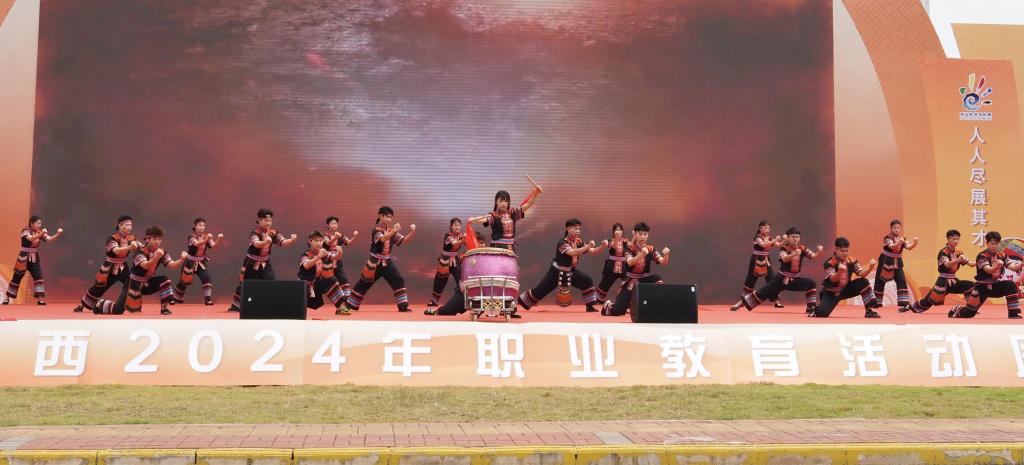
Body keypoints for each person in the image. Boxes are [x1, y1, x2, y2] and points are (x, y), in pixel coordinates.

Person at [516, 218, 606, 316]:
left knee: (586, 280)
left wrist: (602, 246)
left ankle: (590, 306)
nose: (577, 231)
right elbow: (572, 252)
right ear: (568, 229)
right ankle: (518, 302)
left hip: (570, 271)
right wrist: (587, 246)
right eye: (575, 229)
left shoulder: (578, 241)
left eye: (579, 229)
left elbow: (592, 251)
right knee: (540, 291)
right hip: (556, 272)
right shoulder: (562, 243)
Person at [336, 206, 417, 314]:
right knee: (363, 283)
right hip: (374, 262)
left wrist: (412, 231)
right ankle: (348, 305)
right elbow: (383, 239)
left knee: (398, 280)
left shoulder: (390, 230)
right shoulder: (376, 230)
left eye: (390, 217)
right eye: (387, 217)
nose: (389, 219)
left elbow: (404, 241)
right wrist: (394, 230)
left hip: (387, 262)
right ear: (381, 216)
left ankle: (403, 306)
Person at [94, 226, 185, 315]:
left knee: (165, 280)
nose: (157, 242)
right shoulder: (140, 252)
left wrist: (181, 259)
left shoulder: (162, 252)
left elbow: (172, 265)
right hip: (133, 284)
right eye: (154, 239)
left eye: (159, 239)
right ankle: (100, 303)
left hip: (146, 284)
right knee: (117, 310)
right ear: (148, 239)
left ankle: (164, 308)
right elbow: (145, 265)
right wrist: (156, 258)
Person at [730, 227, 823, 314]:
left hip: (795, 280)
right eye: (793, 237)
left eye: (797, 237)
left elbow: (813, 256)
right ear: (788, 238)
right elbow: (784, 259)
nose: (795, 239)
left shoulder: (803, 248)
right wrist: (794, 254)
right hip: (781, 279)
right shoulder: (784, 248)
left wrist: (818, 251)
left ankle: (811, 307)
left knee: (811, 284)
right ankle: (741, 303)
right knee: (762, 293)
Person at [228, 208, 298, 312]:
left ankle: (265, 304)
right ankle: (236, 305)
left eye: (270, 221)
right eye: (266, 220)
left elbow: (283, 242)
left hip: (265, 263)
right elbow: (256, 244)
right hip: (251, 263)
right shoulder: (254, 233)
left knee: (270, 280)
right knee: (246, 284)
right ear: (260, 220)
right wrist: (265, 242)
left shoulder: (273, 233)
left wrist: (292, 240)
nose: (268, 223)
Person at [72, 215, 142, 313]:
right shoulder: (112, 238)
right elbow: (116, 250)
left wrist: (150, 249)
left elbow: (142, 247)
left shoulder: (131, 238)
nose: (129, 227)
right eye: (127, 225)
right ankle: (81, 305)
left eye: (131, 225)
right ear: (120, 225)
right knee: (98, 288)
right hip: (110, 267)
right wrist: (130, 247)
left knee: (133, 284)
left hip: (124, 266)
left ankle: (134, 306)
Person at [948, 231, 1023, 319]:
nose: (995, 246)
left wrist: (1022, 264)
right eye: (992, 243)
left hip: (996, 286)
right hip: (982, 287)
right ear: (987, 243)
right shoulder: (982, 256)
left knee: (1010, 285)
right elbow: (988, 270)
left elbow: (1013, 267)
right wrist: (997, 266)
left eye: (997, 244)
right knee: (968, 313)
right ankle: (957, 308)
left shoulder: (1001, 255)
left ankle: (1013, 313)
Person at [602, 222, 670, 316]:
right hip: (630, 281)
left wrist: (666, 255)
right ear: (635, 234)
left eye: (645, 234)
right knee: (618, 311)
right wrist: (641, 255)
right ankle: (608, 305)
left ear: (648, 235)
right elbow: (629, 262)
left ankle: (651, 306)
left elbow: (663, 262)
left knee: (657, 279)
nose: (643, 237)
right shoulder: (629, 248)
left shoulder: (650, 248)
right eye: (640, 234)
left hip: (643, 280)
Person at [906, 229, 976, 314]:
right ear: (948, 239)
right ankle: (911, 307)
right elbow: (947, 265)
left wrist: (980, 262)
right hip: (943, 282)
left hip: (954, 281)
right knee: (928, 301)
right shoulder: (943, 252)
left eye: (957, 239)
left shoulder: (959, 252)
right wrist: (957, 260)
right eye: (953, 239)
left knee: (970, 285)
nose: (956, 241)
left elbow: (971, 264)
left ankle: (970, 308)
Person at [810, 237, 880, 318]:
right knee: (822, 314)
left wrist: (870, 267)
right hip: (831, 293)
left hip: (846, 290)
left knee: (863, 282)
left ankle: (869, 311)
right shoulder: (829, 263)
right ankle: (815, 309)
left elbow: (861, 274)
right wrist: (840, 271)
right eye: (842, 251)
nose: (845, 253)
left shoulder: (852, 260)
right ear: (836, 250)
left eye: (847, 250)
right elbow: (832, 279)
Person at [467, 178, 543, 251]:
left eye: (505, 201)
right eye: (500, 201)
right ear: (496, 203)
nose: (503, 203)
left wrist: (536, 193)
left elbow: (528, 204)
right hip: (497, 247)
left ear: (508, 202)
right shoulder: (493, 215)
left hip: (510, 247)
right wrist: (474, 220)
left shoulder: (513, 213)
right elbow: (483, 219)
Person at [3, 215, 63, 305]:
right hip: (23, 258)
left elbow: (49, 239)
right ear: (31, 223)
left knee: (38, 277)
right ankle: (7, 298)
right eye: (38, 223)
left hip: (34, 258)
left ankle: (40, 299)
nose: (39, 225)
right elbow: (31, 238)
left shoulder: (39, 231)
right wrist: (41, 234)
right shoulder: (25, 230)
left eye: (40, 223)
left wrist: (58, 234)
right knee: (16, 278)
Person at [171, 217, 223, 305]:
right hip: (190, 262)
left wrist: (219, 239)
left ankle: (208, 300)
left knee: (206, 278)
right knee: (184, 281)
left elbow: (213, 245)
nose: (202, 227)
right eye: (200, 225)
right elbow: (197, 244)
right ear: (195, 226)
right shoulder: (191, 237)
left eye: (203, 225)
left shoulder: (206, 236)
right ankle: (176, 298)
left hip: (201, 262)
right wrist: (207, 239)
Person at [871, 219, 919, 311]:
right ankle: (876, 302)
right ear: (891, 228)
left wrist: (915, 243)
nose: (897, 229)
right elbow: (891, 246)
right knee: (880, 280)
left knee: (901, 279)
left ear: (900, 229)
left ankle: (904, 303)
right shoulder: (887, 238)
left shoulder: (902, 238)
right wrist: (899, 243)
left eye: (898, 228)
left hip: (897, 262)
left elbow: (909, 247)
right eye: (895, 228)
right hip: (886, 260)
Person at [298, 231, 348, 314]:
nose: (319, 243)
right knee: (299, 307)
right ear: (310, 242)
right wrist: (319, 256)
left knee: (331, 280)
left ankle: (340, 308)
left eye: (321, 240)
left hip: (317, 284)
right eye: (316, 240)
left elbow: (335, 257)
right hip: (306, 287)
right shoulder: (305, 255)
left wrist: (340, 253)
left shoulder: (324, 253)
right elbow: (306, 265)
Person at [740, 221, 785, 308]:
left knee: (772, 279)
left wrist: (786, 240)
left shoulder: (769, 238)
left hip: (766, 259)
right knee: (751, 279)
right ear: (760, 228)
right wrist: (775, 240)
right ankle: (743, 300)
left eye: (768, 228)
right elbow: (763, 245)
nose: (767, 230)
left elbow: (779, 245)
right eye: (765, 228)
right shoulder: (757, 238)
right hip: (756, 259)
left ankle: (776, 300)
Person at [428, 218, 465, 307]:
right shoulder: (448, 236)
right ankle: (434, 301)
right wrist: (464, 239)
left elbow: (467, 242)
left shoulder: (460, 235)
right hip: (445, 260)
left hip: (455, 260)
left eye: (459, 225)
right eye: (455, 225)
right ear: (451, 226)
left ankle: (466, 300)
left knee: (461, 279)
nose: (457, 227)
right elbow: (455, 244)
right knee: (440, 280)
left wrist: (469, 238)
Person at [594, 223, 629, 309]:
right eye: (616, 230)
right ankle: (597, 301)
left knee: (629, 282)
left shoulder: (626, 241)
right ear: (613, 231)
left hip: (624, 265)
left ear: (622, 231)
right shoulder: (610, 241)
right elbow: (613, 247)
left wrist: (635, 236)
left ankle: (629, 302)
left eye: (620, 230)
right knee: (604, 283)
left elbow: (632, 246)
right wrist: (616, 238)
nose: (618, 231)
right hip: (611, 265)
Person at [323, 216, 358, 301]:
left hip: (338, 260)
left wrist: (354, 236)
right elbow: (327, 243)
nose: (334, 225)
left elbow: (348, 242)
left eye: (336, 223)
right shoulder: (325, 235)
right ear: (328, 225)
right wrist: (335, 237)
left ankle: (347, 300)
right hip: (327, 261)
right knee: (327, 281)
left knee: (343, 279)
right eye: (332, 223)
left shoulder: (340, 235)